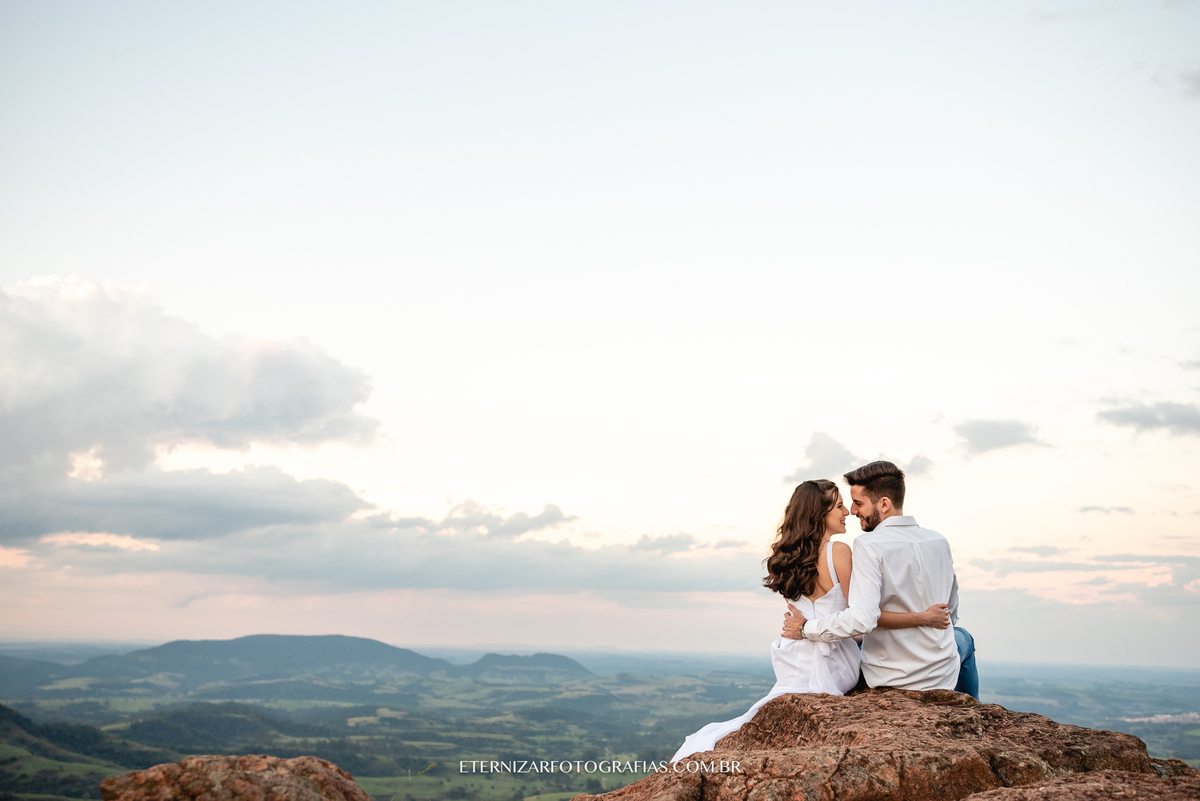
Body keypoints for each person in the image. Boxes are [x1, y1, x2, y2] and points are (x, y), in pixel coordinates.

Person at [670, 479, 951, 762]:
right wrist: (923, 617)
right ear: (820, 514)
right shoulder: (839, 552)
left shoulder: (786, 557)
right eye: (839, 506)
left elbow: (812, 617)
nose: (847, 513)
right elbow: (866, 617)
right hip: (834, 663)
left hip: (794, 656)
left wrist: (810, 629)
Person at [782, 461, 978, 696]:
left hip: (888, 675)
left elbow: (862, 619)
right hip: (940, 674)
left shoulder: (868, 545)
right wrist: (926, 622)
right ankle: (969, 708)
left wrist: (805, 629)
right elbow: (951, 609)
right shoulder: (939, 541)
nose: (852, 511)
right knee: (963, 637)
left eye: (858, 503)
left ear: (884, 504)